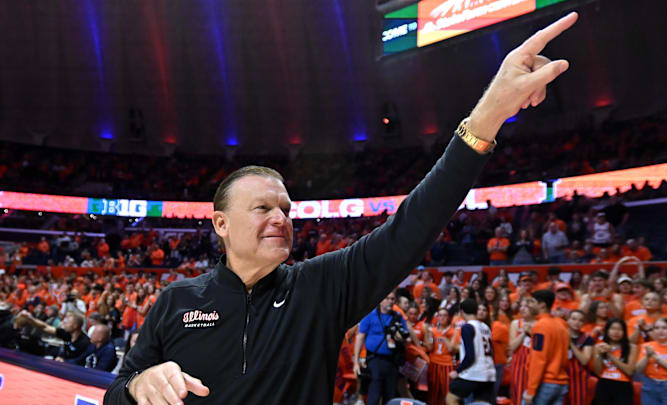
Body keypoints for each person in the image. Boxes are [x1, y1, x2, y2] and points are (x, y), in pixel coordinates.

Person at [103, 13, 580, 405]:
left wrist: (489, 115)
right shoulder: (177, 300)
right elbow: (115, 395)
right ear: (220, 224)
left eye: (286, 209)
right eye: (263, 207)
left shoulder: (320, 287)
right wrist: (137, 386)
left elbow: (412, 226)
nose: (281, 218)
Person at [354, 292, 408, 405]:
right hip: (375, 359)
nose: (390, 301)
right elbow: (360, 337)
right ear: (380, 300)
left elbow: (406, 338)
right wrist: (356, 361)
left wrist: (400, 339)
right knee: (374, 392)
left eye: (392, 299)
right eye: (387, 298)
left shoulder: (398, 317)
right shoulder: (370, 315)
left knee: (390, 395)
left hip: (392, 360)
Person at [523, 290, 569, 405]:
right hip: (561, 383)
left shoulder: (540, 326)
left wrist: (531, 390)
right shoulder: (561, 323)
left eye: (532, 302)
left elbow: (538, 360)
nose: (529, 305)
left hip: (546, 383)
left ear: (542, 305)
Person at [446, 299, 496, 405]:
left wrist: (457, 371)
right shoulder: (486, 327)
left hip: (474, 373)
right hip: (489, 373)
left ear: (462, 312)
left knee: (451, 398)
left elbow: (470, 356)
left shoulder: (467, 327)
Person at [591, 318, 637, 405]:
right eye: (612, 328)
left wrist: (610, 355)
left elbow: (630, 371)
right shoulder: (599, 347)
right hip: (604, 385)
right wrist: (600, 355)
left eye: (619, 329)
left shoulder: (631, 348)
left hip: (623, 386)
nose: (616, 332)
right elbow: (598, 372)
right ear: (607, 331)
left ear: (624, 332)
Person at [15, 310, 90, 362]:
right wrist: (30, 319)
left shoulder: (85, 342)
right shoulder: (66, 333)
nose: (64, 324)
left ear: (75, 326)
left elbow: (81, 360)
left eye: (67, 322)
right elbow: (45, 327)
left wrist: (65, 361)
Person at [509, 297, 537, 405]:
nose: (523, 309)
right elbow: (512, 347)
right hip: (518, 363)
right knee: (517, 393)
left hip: (534, 361)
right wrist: (524, 333)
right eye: (521, 306)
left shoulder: (540, 323)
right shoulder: (516, 323)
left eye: (526, 306)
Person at [426, 308, 457, 405]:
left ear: (449, 318)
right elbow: (429, 348)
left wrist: (443, 336)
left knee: (446, 392)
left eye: (445, 315)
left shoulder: (453, 331)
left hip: (447, 364)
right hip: (434, 363)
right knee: (433, 392)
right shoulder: (433, 330)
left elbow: (453, 349)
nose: (442, 318)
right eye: (440, 315)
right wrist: (428, 335)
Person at [566, 310, 594, 405]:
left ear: (584, 323)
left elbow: (584, 360)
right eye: (573, 319)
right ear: (568, 320)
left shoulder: (587, 339)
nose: (576, 322)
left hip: (579, 379)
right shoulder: (560, 334)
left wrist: (570, 343)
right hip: (561, 375)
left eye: (580, 320)